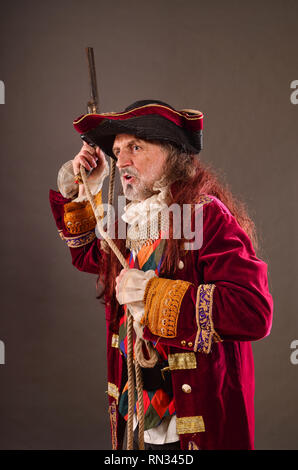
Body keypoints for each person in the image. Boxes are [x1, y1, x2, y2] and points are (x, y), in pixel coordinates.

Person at [49, 100, 274, 450]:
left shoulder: (206, 216)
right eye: (118, 150)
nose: (121, 161)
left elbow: (253, 311)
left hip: (190, 424)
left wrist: (154, 295)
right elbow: (89, 256)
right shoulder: (131, 218)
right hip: (137, 417)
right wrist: (86, 191)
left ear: (173, 153)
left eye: (135, 148)